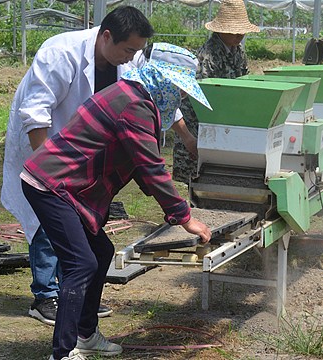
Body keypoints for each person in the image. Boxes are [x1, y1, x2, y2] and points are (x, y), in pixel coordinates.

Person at [21, 43, 213, 360]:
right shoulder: (133, 104)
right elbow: (151, 167)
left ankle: (85, 334)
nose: (180, 98)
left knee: (101, 251)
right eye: (178, 90)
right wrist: (184, 217)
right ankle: (63, 352)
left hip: (69, 187)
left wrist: (167, 205)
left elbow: (139, 164)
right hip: (52, 185)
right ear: (162, 80)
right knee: (81, 264)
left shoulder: (135, 97)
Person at [1, 6, 155, 326]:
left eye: (137, 51)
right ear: (107, 36)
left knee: (84, 225)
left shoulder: (128, 58)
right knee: (47, 223)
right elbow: (36, 113)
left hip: (87, 156)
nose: (132, 57)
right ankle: (45, 296)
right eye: (128, 50)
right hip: (47, 147)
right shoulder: (60, 53)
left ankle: (77, 293)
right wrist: (49, 172)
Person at [172, 0, 260, 184]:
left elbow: (243, 79)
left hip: (222, 118)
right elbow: (204, 98)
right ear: (221, 30)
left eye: (241, 32)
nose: (239, 36)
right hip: (198, 122)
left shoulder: (238, 51)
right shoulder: (209, 55)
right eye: (234, 32)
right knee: (195, 175)